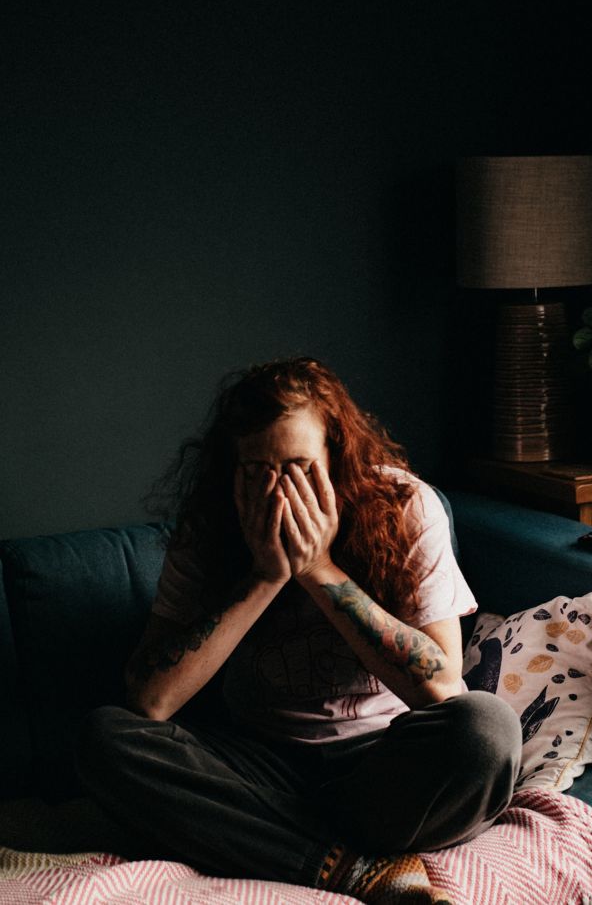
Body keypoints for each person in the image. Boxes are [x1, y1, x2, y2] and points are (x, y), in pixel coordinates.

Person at [75, 356, 522, 904]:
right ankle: (347, 868)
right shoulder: (210, 525)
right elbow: (150, 701)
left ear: (336, 458)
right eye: (258, 472)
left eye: (300, 468)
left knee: (487, 729)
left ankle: (276, 843)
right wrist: (266, 577)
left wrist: (319, 571)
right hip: (257, 764)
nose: (281, 493)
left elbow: (440, 687)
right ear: (231, 469)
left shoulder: (405, 506)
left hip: (385, 766)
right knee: (105, 737)